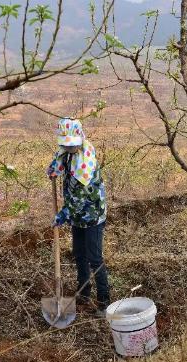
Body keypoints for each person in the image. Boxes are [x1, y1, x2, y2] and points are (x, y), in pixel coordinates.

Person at [47, 118, 110, 317]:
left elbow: (79, 199)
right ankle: (83, 292)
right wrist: (53, 170)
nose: (68, 146)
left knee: (94, 257)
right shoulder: (67, 150)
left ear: (79, 138)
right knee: (79, 254)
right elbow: (59, 160)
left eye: (71, 143)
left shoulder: (85, 161)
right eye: (65, 143)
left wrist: (62, 215)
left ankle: (104, 301)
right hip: (77, 217)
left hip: (92, 215)